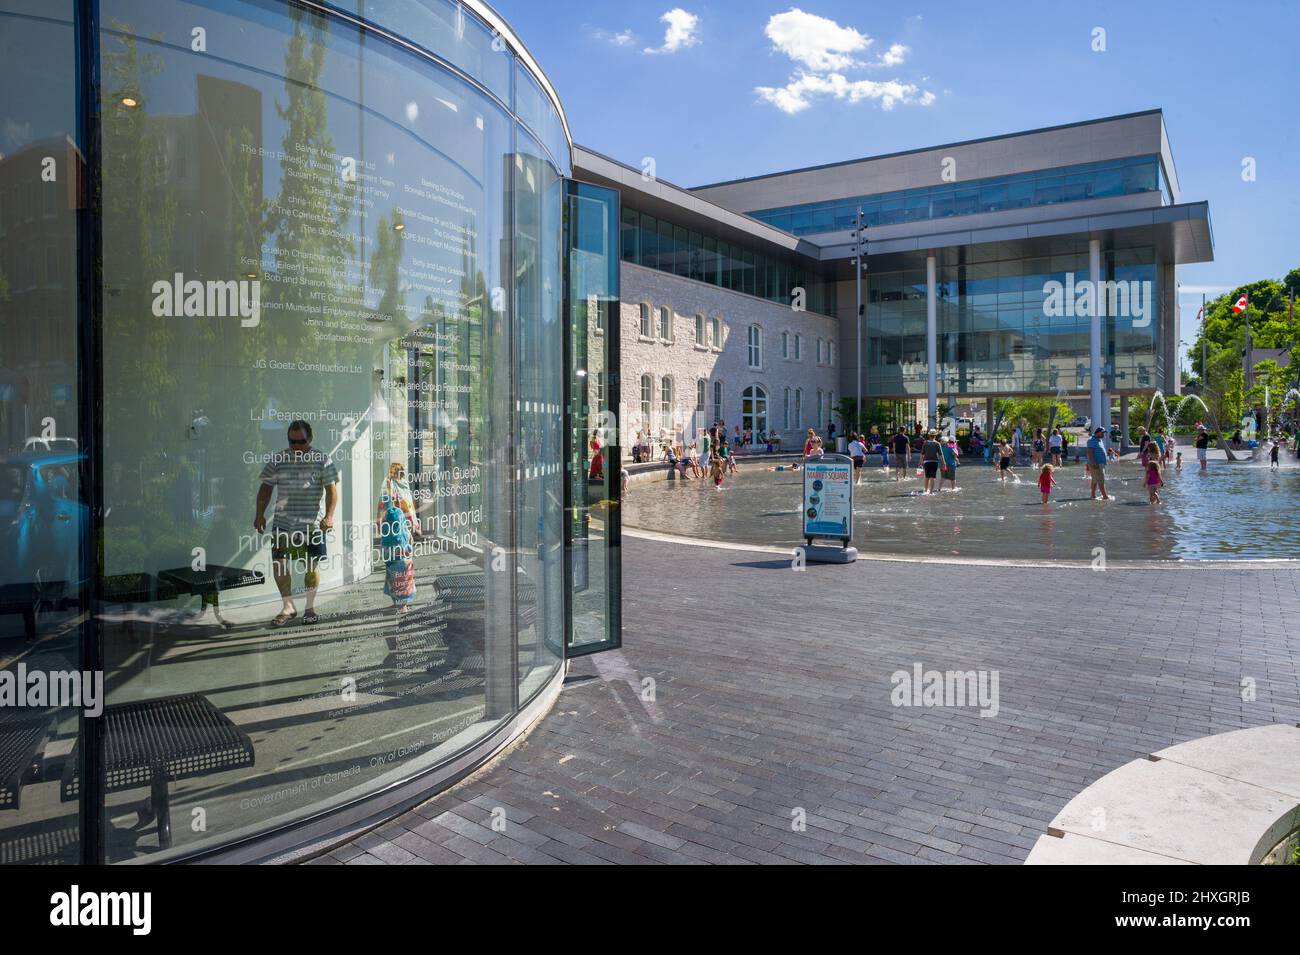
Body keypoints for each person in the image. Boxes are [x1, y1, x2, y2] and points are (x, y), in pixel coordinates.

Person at [254, 420, 339, 627]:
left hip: (311, 524)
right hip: (283, 523)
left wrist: (329, 516)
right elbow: (265, 489)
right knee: (279, 564)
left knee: (311, 566)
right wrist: (259, 514)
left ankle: (309, 608)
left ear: (310, 439)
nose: (296, 446)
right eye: (292, 442)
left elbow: (331, 491)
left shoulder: (322, 459)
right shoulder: (279, 459)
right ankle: (288, 606)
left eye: (300, 442)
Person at [378, 493, 415, 613]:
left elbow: (383, 550)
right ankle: (402, 605)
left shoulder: (387, 537)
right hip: (405, 564)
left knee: (394, 585)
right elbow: (411, 543)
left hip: (392, 565)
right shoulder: (406, 533)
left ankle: (399, 605)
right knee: (403, 586)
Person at [1086, 427, 1111, 500]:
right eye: (1102, 432)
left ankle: (1093, 495)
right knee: (1101, 480)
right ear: (1097, 432)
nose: (1103, 434)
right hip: (1096, 464)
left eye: (1104, 433)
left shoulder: (1099, 440)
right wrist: (1094, 463)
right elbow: (1089, 452)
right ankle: (1105, 496)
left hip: (1100, 463)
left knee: (1095, 480)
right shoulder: (1091, 440)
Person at [920, 429, 943, 494]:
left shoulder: (925, 443)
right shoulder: (937, 444)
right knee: (932, 477)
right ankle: (931, 492)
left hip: (926, 462)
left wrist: (920, 461)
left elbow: (922, 453)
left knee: (927, 476)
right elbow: (941, 454)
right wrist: (944, 463)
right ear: (935, 436)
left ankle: (925, 491)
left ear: (929, 435)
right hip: (934, 462)